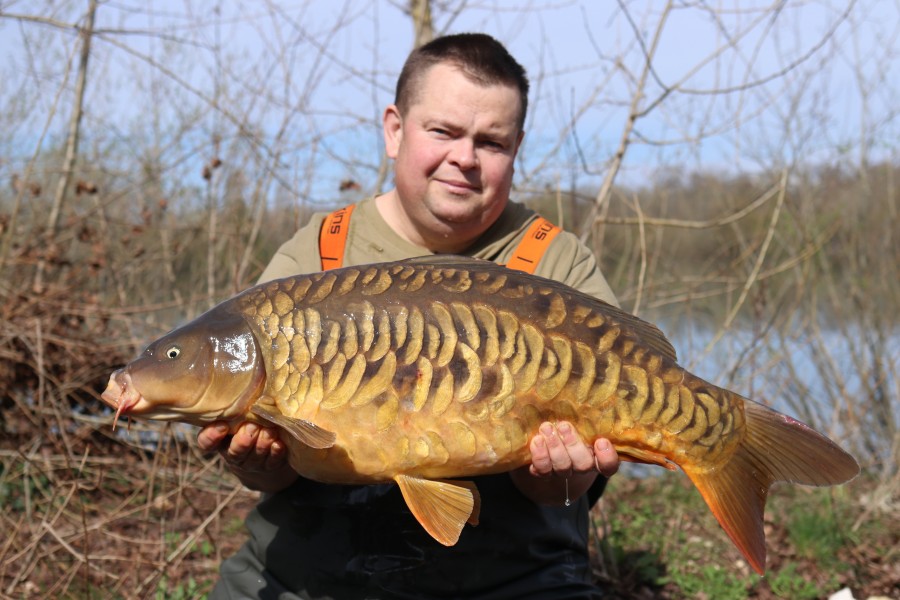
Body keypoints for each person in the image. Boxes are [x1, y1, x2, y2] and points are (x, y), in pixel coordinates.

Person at [201, 33, 621, 599]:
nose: (465, 158)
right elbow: (266, 474)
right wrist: (257, 464)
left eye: (491, 142)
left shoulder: (555, 263)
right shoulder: (319, 253)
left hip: (514, 579)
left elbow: (575, 485)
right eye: (443, 131)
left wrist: (562, 478)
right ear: (395, 129)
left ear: (516, 148)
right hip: (311, 578)